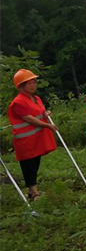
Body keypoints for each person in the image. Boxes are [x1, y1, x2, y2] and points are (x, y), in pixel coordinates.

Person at [7, 70, 57, 201]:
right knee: (28, 165)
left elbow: (39, 112)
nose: (32, 85)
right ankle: (35, 193)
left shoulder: (36, 99)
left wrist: (46, 113)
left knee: (35, 164)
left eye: (34, 82)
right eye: (29, 83)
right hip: (25, 140)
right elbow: (29, 119)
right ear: (21, 86)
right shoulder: (18, 102)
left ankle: (31, 191)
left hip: (36, 139)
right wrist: (47, 126)